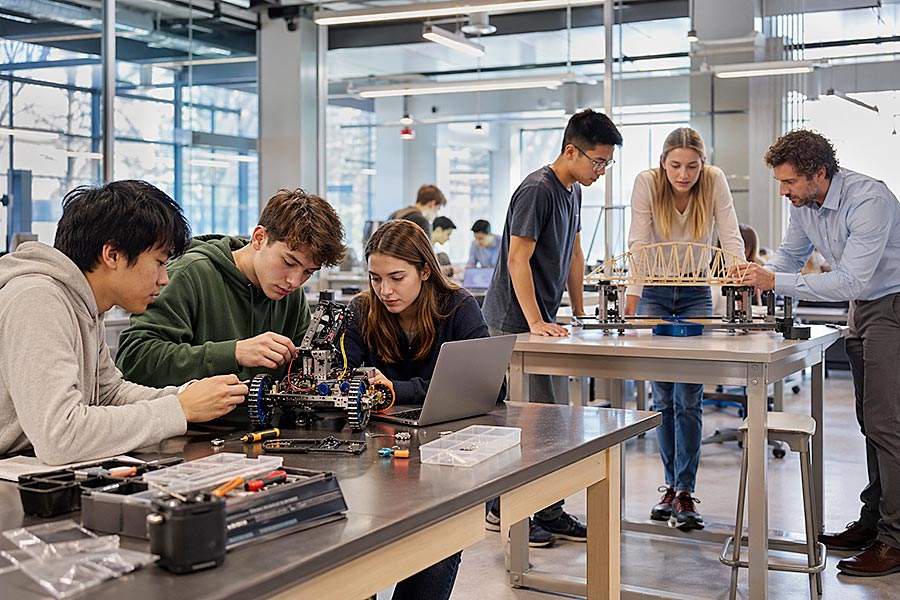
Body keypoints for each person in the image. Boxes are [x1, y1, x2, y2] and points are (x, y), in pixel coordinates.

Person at [736, 129, 900, 577]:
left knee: (888, 424)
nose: (783, 192)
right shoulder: (805, 206)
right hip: (861, 310)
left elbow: (852, 280)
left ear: (819, 173)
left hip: (891, 304)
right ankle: (873, 522)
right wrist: (756, 274)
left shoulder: (868, 200)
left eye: (789, 182)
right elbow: (789, 259)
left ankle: (895, 540)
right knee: (871, 422)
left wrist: (775, 281)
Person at [0, 181, 248, 465]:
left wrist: (187, 396)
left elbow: (109, 394)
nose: (164, 279)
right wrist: (179, 409)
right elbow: (61, 436)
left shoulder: (85, 304)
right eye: (159, 262)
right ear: (113, 255)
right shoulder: (37, 299)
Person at [481, 108, 623, 546]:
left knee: (552, 421)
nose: (601, 171)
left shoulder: (572, 191)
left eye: (607, 164)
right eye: (598, 162)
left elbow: (574, 256)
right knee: (528, 423)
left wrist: (579, 311)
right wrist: (536, 321)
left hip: (540, 321)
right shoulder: (537, 190)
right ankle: (505, 509)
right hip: (511, 323)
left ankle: (549, 509)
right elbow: (516, 259)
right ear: (571, 151)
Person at [342, 219, 490, 598]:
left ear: (425, 270)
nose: (385, 291)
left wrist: (399, 389)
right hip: (372, 455)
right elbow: (343, 378)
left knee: (440, 541)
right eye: (375, 279)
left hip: (445, 455)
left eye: (396, 278)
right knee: (352, 545)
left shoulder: (458, 307)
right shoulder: (360, 311)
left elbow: (487, 385)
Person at [116, 189, 347, 427]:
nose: (295, 281)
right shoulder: (189, 275)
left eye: (309, 272)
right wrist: (233, 352)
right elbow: (135, 361)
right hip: (194, 435)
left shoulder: (290, 294)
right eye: (289, 262)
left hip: (267, 434)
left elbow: (300, 374)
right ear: (259, 238)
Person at [625, 127, 744, 531]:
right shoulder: (647, 183)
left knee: (689, 399)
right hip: (655, 293)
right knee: (662, 399)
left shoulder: (714, 181)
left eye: (692, 166)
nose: (683, 174)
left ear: (703, 163)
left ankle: (685, 492)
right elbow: (639, 243)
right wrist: (631, 300)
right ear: (663, 162)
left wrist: (739, 288)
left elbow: (730, 235)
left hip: (695, 293)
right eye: (675, 165)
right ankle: (670, 486)